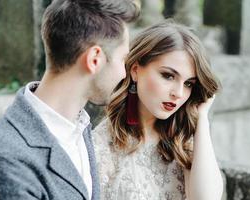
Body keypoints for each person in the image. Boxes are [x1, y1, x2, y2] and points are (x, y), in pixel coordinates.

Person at [0, 0, 139, 199]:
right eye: (123, 59)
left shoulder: (78, 125)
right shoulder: (5, 158)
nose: (124, 73)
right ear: (94, 59)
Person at [93, 20, 224, 200]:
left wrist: (202, 117)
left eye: (188, 84)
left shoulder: (184, 141)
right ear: (136, 70)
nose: (178, 93)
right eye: (168, 76)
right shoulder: (101, 144)